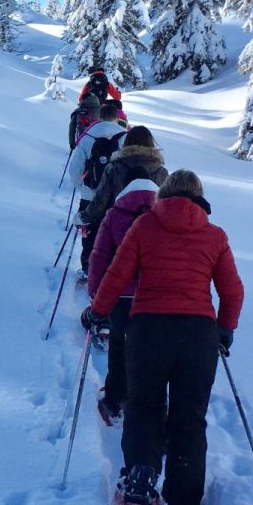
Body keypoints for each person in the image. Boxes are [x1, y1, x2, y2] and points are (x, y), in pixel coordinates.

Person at [85, 169, 244, 505]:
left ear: (164, 194)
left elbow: (117, 274)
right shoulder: (215, 236)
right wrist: (225, 329)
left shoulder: (144, 227)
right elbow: (232, 291)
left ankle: (140, 479)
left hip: (149, 330)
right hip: (198, 335)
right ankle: (184, 501)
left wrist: (98, 310)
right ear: (200, 199)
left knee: (144, 405)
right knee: (189, 417)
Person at [86, 168, 160, 422]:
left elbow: (99, 257)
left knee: (119, 345)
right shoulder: (162, 215)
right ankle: (144, 400)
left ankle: (115, 399)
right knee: (148, 349)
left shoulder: (114, 214)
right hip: (152, 297)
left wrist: (96, 296)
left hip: (120, 296)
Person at [68, 100, 127, 272]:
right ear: (117, 117)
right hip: (116, 197)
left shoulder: (88, 136)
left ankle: (88, 267)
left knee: (90, 232)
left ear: (100, 117)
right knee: (113, 232)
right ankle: (110, 268)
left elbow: (75, 168)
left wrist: (82, 187)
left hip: (90, 194)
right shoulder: (124, 136)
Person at [84, 125, 167, 231]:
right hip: (150, 232)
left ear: (127, 142)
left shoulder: (114, 168)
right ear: (151, 143)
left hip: (116, 229)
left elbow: (100, 201)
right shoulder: (161, 172)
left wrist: (84, 217)